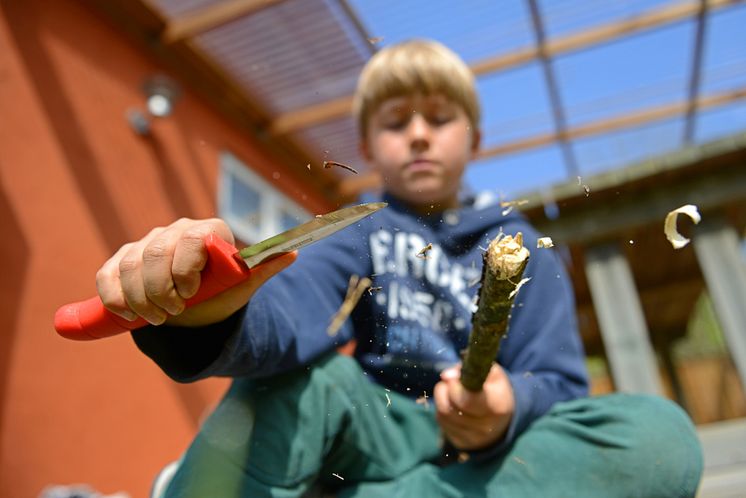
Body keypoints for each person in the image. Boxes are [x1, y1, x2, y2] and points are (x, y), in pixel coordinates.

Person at [97, 40, 703, 497]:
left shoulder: (524, 246)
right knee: (295, 385)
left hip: (500, 455)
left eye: (438, 119)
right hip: (379, 431)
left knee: (657, 438)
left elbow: (560, 384)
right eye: (394, 122)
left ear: (475, 138)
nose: (417, 135)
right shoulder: (361, 230)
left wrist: (506, 406)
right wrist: (207, 314)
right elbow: (295, 311)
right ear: (366, 145)